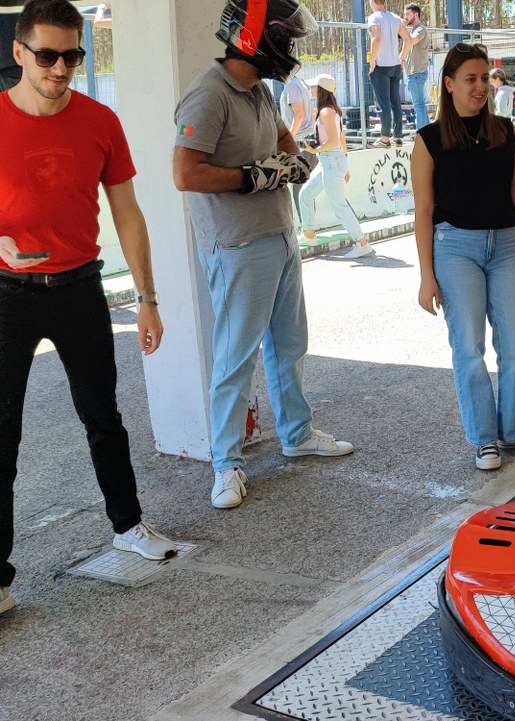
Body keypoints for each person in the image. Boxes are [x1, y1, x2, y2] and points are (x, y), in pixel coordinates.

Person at [0, 0, 178, 616]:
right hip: (7, 295)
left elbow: (128, 214)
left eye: (72, 55)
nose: (60, 68)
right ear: (18, 52)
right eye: (47, 55)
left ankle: (128, 528)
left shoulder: (100, 121)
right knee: (2, 434)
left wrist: (149, 299)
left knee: (104, 415)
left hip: (80, 287)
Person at [173, 0, 355, 511]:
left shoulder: (258, 91)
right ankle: (226, 464)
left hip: (279, 235)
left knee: (289, 346)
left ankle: (297, 434)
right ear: (258, 37)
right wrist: (252, 176)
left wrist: (289, 162)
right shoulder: (208, 95)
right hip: (236, 245)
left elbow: (282, 141)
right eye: (287, 38)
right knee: (235, 359)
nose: (292, 50)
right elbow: (185, 175)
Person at [412, 43, 515, 470]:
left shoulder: (505, 130)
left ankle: (512, 432)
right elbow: (422, 212)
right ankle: (484, 438)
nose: (480, 87)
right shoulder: (430, 140)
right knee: (469, 348)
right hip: (454, 248)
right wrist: (426, 275)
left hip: (505, 246)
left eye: (484, 78)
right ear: (449, 84)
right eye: (470, 79)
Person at [299, 74, 373, 259]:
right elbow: (341, 140)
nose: (311, 89)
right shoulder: (329, 111)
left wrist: (313, 151)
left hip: (330, 161)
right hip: (330, 162)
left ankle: (361, 243)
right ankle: (309, 234)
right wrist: (345, 166)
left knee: (339, 205)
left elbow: (333, 141)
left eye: (314, 86)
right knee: (305, 194)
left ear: (321, 89)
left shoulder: (326, 112)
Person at [367, 0, 412, 147]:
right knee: (395, 102)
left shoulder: (374, 17)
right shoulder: (395, 17)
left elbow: (377, 39)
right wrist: (402, 58)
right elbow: (408, 40)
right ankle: (397, 136)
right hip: (395, 66)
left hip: (381, 66)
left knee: (383, 104)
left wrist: (373, 61)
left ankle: (385, 138)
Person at [401, 3, 431, 131]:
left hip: (417, 74)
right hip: (413, 74)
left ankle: (422, 132)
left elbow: (411, 41)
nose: (406, 17)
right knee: (419, 104)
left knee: (419, 105)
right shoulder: (413, 30)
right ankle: (426, 131)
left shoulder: (420, 29)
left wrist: (401, 28)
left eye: (408, 14)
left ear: (416, 14)